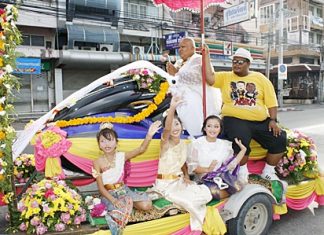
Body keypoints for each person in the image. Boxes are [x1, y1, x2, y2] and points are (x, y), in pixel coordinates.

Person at [204, 47, 287, 183]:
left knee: (280, 138)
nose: (236, 64)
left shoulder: (260, 78)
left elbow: (272, 102)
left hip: (259, 121)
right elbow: (209, 78)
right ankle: (242, 171)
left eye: (240, 62)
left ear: (248, 63)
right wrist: (206, 56)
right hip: (234, 119)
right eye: (234, 62)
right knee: (240, 138)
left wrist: (273, 120)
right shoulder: (225, 77)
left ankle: (268, 171)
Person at [152, 95, 213, 233]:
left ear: (182, 126)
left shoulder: (184, 144)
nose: (174, 128)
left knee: (205, 194)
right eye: (171, 124)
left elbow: (183, 163)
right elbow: (167, 130)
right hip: (166, 185)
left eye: (177, 124)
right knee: (190, 202)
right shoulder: (165, 143)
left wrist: (186, 175)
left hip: (180, 182)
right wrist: (172, 107)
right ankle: (198, 230)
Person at [92, 121, 161, 234]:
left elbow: (141, 150)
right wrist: (114, 200)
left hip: (124, 191)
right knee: (117, 212)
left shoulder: (121, 156)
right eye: (103, 141)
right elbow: (101, 188)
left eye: (110, 140)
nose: (106, 144)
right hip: (109, 195)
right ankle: (126, 205)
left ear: (116, 142)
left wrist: (149, 134)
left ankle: (127, 204)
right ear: (99, 144)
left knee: (147, 205)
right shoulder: (97, 162)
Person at [166, 37, 222, 136]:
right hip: (179, 97)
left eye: (183, 47)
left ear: (193, 48)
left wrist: (176, 73)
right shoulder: (179, 62)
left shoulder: (198, 59)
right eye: (179, 47)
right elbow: (176, 81)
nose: (180, 49)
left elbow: (195, 77)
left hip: (196, 98)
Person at [188, 115, 247, 199]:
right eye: (209, 126)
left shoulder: (225, 145)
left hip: (221, 177)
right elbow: (193, 168)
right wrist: (207, 169)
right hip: (203, 179)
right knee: (214, 192)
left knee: (237, 186)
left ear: (220, 130)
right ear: (204, 128)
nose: (212, 129)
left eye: (216, 126)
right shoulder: (196, 144)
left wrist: (243, 151)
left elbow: (230, 166)